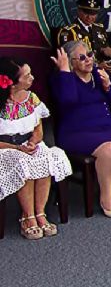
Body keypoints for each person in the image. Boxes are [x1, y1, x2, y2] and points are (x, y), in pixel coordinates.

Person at [50, 42, 111, 218]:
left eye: (90, 55)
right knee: (109, 150)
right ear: (70, 62)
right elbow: (68, 100)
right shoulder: (61, 78)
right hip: (76, 131)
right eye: (82, 57)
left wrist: (109, 86)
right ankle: (106, 196)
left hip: (105, 128)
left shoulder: (98, 75)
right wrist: (64, 71)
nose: (88, 60)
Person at [0, 57, 71, 239]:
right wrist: (17, 148)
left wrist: (34, 141)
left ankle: (40, 213)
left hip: (26, 145)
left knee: (45, 156)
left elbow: (38, 128)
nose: (32, 78)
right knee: (23, 162)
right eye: (27, 75)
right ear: (12, 83)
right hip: (5, 148)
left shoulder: (32, 98)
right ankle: (27, 216)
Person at [56, 0, 111, 72]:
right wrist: (96, 66)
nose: (89, 17)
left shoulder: (99, 28)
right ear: (79, 11)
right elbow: (69, 60)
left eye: (93, 14)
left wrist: (109, 52)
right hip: (80, 72)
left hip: (102, 71)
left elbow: (108, 49)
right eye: (86, 13)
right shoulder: (69, 31)